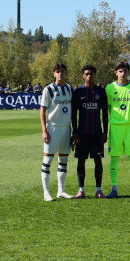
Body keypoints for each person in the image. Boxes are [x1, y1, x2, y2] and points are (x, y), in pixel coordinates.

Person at [105, 61, 130, 198]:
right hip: (115, 127)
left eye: (125, 71)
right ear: (116, 73)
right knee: (114, 158)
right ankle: (114, 189)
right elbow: (107, 107)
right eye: (120, 71)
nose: (123, 73)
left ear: (128, 72)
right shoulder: (109, 88)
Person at [71, 64, 108, 198]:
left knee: (98, 160)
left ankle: (98, 190)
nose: (89, 76)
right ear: (83, 75)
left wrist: (105, 132)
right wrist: (74, 132)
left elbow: (104, 114)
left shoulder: (101, 92)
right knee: (81, 160)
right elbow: (74, 114)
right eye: (86, 74)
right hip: (82, 133)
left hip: (96, 133)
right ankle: (81, 190)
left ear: (94, 75)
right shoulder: (78, 92)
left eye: (91, 74)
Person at [38, 63, 74, 201]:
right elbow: (42, 111)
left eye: (62, 71)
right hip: (52, 128)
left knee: (63, 160)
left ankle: (61, 191)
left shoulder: (70, 89)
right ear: (54, 74)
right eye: (57, 72)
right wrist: (44, 130)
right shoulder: (49, 89)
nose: (60, 74)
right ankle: (46, 193)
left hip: (66, 128)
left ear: (66, 73)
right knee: (47, 160)